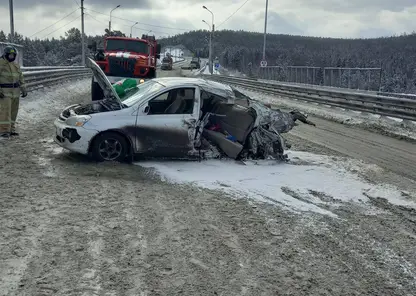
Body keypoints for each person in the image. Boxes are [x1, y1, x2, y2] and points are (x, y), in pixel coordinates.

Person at [0, 45, 27, 137]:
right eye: (10, 55)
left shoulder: (15, 65)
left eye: (13, 55)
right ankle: (3, 131)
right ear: (6, 54)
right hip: (4, 93)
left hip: (15, 93)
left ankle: (11, 129)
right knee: (5, 112)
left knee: (13, 112)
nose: (12, 57)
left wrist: (23, 89)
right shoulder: (1, 63)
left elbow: (21, 77)